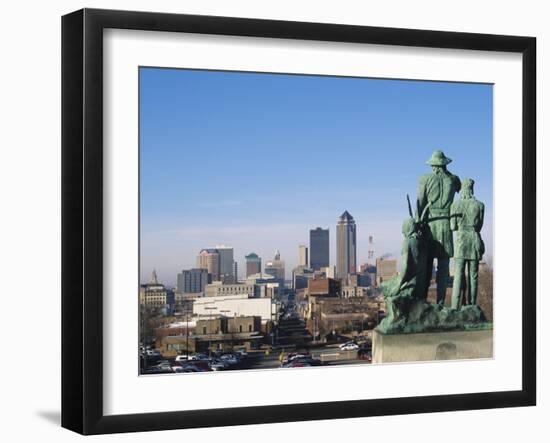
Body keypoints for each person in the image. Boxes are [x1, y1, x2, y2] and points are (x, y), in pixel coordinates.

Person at [417, 150, 461, 306]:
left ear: (433, 166)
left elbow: (420, 203)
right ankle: (441, 303)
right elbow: (460, 188)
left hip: (430, 225)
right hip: (446, 224)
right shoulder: (454, 179)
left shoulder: (425, 179)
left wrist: (418, 224)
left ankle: (422, 301)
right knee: (444, 268)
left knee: (427, 265)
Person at [450, 178, 485, 309]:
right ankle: (472, 305)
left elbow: (453, 226)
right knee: (473, 276)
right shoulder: (480, 205)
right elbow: (479, 226)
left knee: (458, 275)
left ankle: (454, 306)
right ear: (472, 188)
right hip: (474, 240)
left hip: (460, 242)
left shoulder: (455, 205)